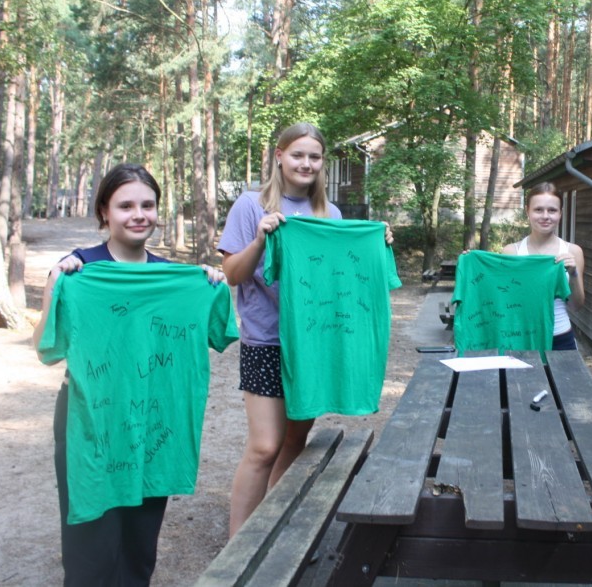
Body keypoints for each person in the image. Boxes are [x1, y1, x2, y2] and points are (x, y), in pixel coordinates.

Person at [33, 163, 226, 586]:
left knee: (140, 544)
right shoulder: (79, 270)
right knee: (90, 545)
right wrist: (54, 286)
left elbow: (219, 332)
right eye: (125, 206)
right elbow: (47, 350)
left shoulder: (174, 278)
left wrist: (209, 283)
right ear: (104, 211)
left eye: (147, 205)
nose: (139, 215)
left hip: (155, 418)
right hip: (90, 418)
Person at [219, 121, 392, 536]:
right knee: (265, 447)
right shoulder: (250, 205)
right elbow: (232, 274)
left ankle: (270, 526)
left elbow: (342, 275)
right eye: (298, 154)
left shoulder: (329, 214)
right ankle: (238, 542)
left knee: (296, 441)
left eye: (314, 157)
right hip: (266, 341)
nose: (306, 163)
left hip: (315, 341)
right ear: (279, 156)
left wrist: (376, 242)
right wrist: (259, 240)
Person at [501, 182, 585, 350]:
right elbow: (503, 299)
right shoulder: (511, 253)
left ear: (560, 213)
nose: (545, 216)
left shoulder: (573, 252)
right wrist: (471, 262)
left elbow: (576, 306)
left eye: (552, 210)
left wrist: (573, 274)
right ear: (527, 211)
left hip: (560, 338)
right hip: (522, 338)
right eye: (538, 209)